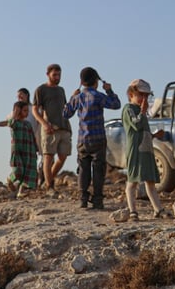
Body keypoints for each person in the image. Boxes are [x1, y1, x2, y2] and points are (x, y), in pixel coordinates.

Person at [63, 66, 120, 209]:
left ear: (81, 82)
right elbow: (116, 105)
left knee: (83, 168)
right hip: (98, 139)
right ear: (96, 81)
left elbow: (66, 114)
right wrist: (109, 90)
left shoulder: (78, 97)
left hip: (83, 139)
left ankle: (83, 198)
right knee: (98, 169)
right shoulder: (98, 96)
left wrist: (71, 97)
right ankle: (98, 199)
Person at [122, 79, 167, 220]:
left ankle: (158, 209)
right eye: (141, 95)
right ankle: (132, 211)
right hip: (136, 151)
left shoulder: (141, 111)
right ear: (131, 94)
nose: (144, 99)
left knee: (150, 181)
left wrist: (153, 136)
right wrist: (142, 111)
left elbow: (142, 131)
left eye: (146, 96)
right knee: (133, 181)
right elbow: (136, 125)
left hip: (146, 150)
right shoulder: (128, 109)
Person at [33, 64, 72, 190]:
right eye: (54, 75)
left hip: (64, 127)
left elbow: (65, 107)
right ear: (48, 74)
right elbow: (35, 109)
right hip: (50, 127)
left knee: (63, 157)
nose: (57, 77)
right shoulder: (41, 89)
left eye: (59, 75)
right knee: (48, 157)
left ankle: (47, 181)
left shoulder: (61, 90)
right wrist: (44, 123)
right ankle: (50, 186)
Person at [6, 100, 40, 197]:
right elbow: (10, 123)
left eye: (27, 111)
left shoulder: (28, 124)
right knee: (19, 170)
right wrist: (15, 113)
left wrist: (36, 147)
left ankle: (21, 191)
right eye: (25, 110)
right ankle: (9, 179)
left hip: (29, 151)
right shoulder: (15, 123)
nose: (27, 113)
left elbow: (32, 136)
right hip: (18, 150)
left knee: (27, 171)